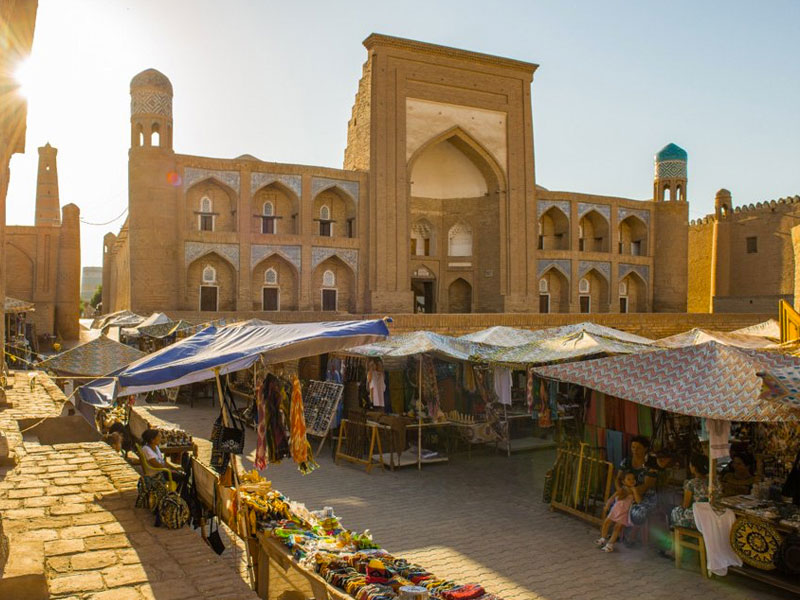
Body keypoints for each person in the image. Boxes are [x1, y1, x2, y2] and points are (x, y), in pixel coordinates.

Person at [615, 436, 659, 527]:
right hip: (627, 494)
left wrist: (626, 492)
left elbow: (645, 486)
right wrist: (619, 489)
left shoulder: (651, 465)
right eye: (633, 447)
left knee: (637, 513)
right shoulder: (626, 461)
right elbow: (618, 478)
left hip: (645, 497)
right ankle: (617, 532)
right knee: (613, 506)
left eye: (638, 448)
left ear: (645, 449)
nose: (635, 450)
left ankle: (632, 535)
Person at [596, 470, 642, 553]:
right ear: (623, 481)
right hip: (615, 510)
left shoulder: (635, 490)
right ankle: (602, 538)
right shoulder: (622, 490)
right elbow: (612, 497)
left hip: (624, 513)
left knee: (617, 528)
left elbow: (638, 501)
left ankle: (610, 545)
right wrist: (607, 505)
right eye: (628, 479)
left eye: (633, 479)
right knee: (606, 522)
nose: (631, 481)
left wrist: (634, 491)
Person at [670, 454, 710, 529]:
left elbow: (685, 505)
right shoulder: (713, 481)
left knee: (674, 511)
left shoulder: (691, 483)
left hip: (697, 519)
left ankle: (676, 536)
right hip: (710, 516)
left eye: (690, 464)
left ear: (694, 468)